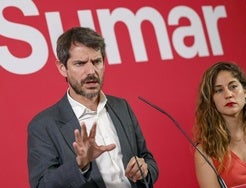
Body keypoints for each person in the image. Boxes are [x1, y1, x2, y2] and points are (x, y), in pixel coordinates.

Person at [27, 27, 159, 188]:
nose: (91, 71)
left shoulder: (121, 107)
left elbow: (148, 159)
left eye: (97, 61)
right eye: (80, 63)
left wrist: (144, 169)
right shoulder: (44, 125)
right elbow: (42, 185)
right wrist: (80, 165)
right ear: (62, 68)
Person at [193, 62, 246, 188]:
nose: (228, 95)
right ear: (211, 100)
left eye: (233, 86)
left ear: (245, 91)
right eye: (219, 90)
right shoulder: (205, 152)